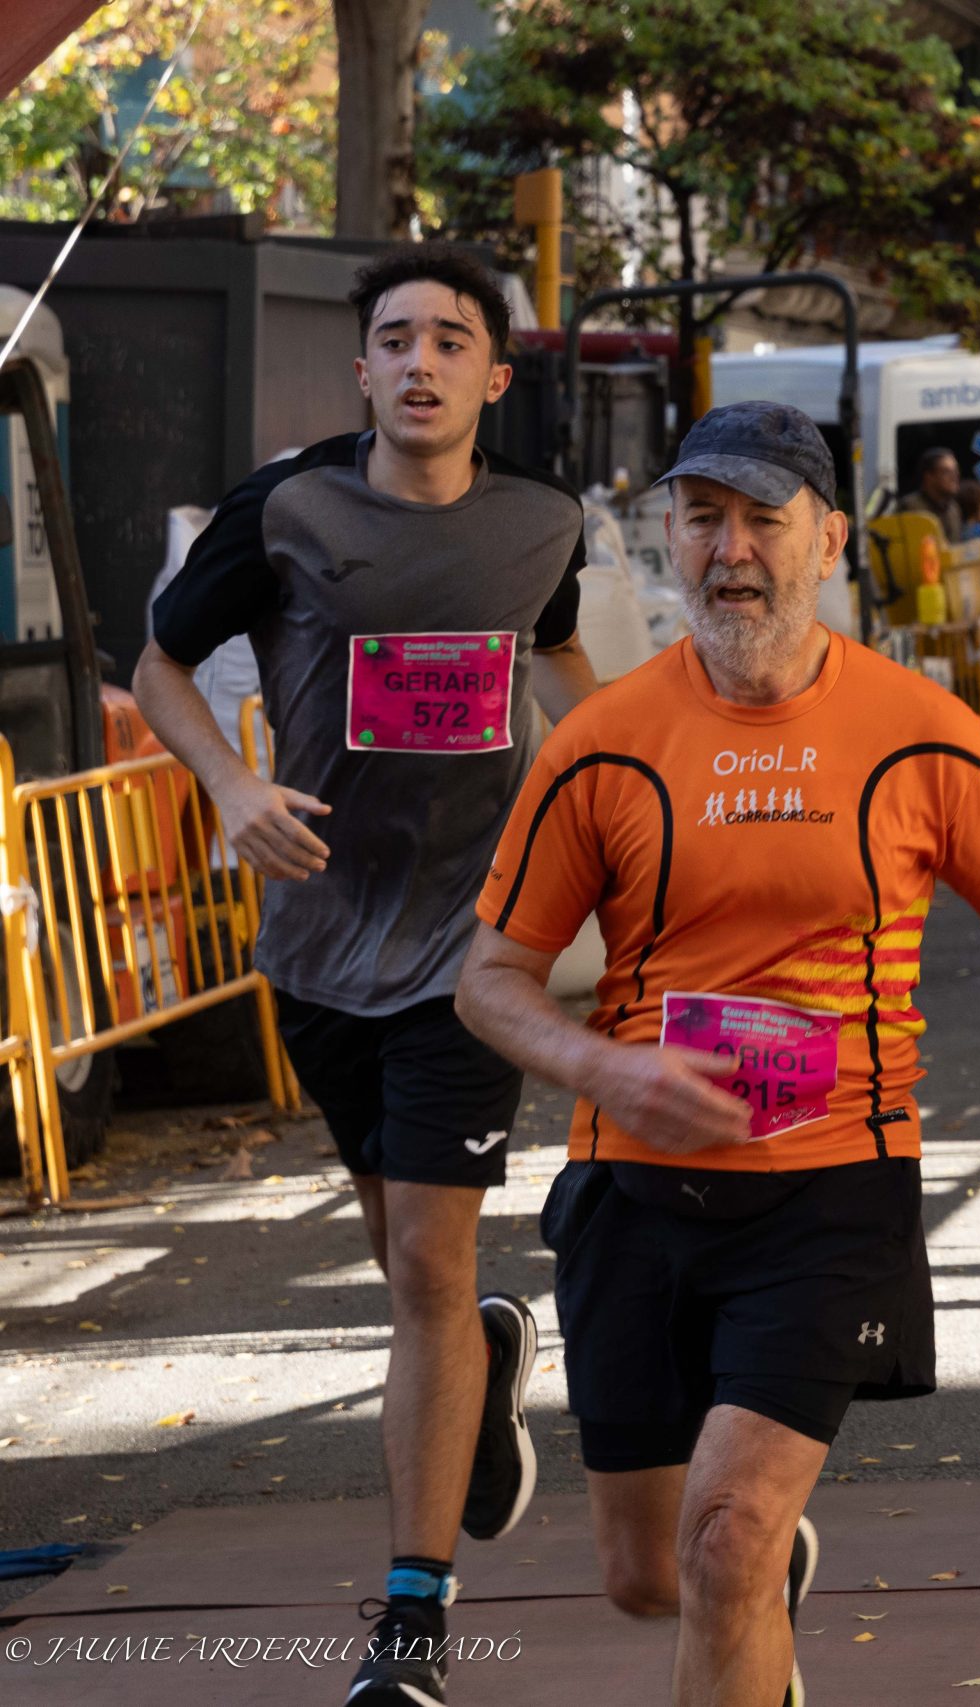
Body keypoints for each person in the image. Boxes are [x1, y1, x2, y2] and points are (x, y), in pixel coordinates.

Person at [455, 401, 980, 1707]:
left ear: (830, 540)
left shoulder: (917, 727)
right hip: (635, 1187)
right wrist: (606, 1069)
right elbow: (490, 980)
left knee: (726, 1538)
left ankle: (747, 1566)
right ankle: (748, 1597)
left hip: (832, 1187)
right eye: (704, 519)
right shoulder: (604, 739)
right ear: (671, 536)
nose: (732, 549)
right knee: (651, 1574)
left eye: (764, 519)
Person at [133, 245, 599, 1707]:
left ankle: (412, 1621)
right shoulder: (286, 509)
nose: (419, 361)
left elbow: (566, 669)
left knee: (430, 1272)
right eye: (394, 338)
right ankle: (484, 1361)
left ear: (492, 375)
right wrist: (229, 784)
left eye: (450, 340)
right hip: (322, 945)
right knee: (409, 1266)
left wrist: (637, 805)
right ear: (362, 370)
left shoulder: (544, 522)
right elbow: (155, 665)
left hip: (475, 951)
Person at [893, 446, 965, 542]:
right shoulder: (910, 507)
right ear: (929, 476)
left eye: (956, 471)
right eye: (947, 471)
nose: (954, 477)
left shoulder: (953, 509)